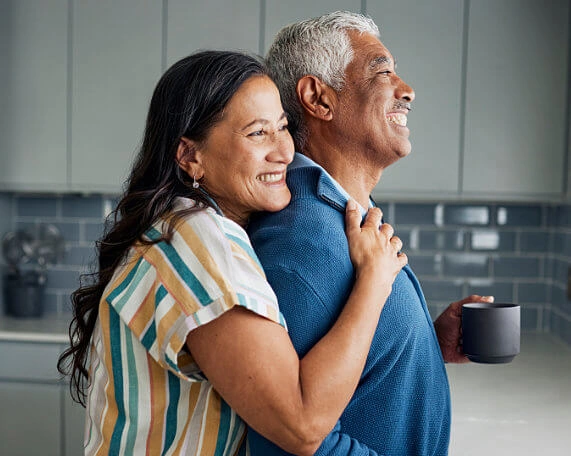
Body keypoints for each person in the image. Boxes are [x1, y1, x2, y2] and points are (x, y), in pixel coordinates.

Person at [57, 50, 408, 456]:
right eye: (257, 133)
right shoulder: (198, 244)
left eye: (283, 127)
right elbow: (303, 425)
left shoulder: (188, 227)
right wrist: (374, 282)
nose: (285, 151)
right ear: (191, 156)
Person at [247, 11, 495, 456]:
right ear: (318, 99)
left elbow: (350, 375)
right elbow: (289, 439)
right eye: (382, 71)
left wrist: (425, 345)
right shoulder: (302, 240)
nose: (408, 90)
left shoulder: (344, 217)